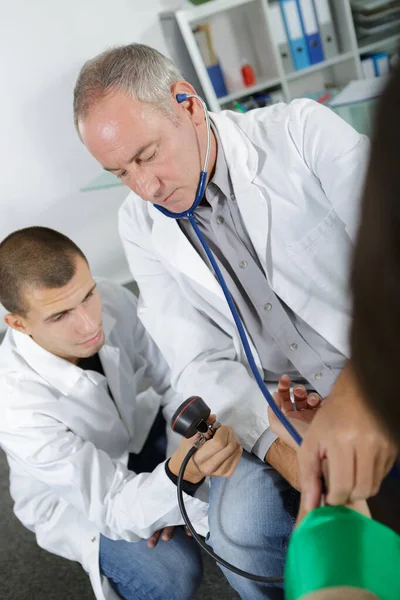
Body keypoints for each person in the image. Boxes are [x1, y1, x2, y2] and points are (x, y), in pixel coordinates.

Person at [73, 42, 395, 587]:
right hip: (269, 407)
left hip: (374, 366)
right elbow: (198, 357)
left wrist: (358, 394)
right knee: (237, 529)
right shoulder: (141, 223)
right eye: (121, 171)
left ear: (189, 105)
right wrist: (283, 450)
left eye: (147, 155)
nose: (145, 187)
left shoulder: (301, 133)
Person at [0, 226, 285, 600]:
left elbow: (173, 382)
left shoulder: (112, 298)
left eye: (88, 295)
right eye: (60, 316)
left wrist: (178, 475)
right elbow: (111, 506)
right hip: (75, 495)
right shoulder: (13, 405)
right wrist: (179, 479)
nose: (89, 323)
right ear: (17, 323)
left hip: (136, 434)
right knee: (171, 573)